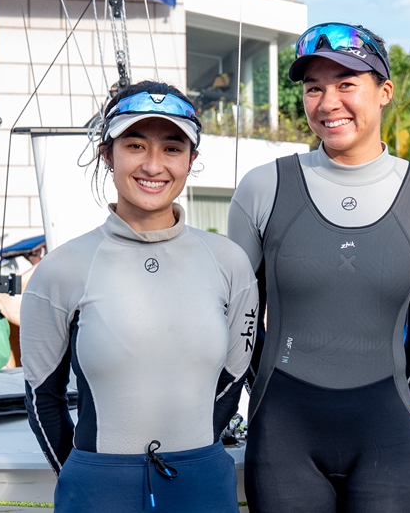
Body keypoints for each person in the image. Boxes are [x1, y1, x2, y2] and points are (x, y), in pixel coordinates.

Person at [227, 23, 410, 513]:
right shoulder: (262, 188)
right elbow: (237, 319)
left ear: (385, 91)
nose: (328, 102)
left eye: (346, 83)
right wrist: (266, 390)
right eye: (314, 87)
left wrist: (393, 392)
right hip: (284, 433)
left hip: (385, 432)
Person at [21, 81, 258, 513]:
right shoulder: (60, 270)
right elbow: (42, 396)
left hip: (201, 483)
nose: (153, 165)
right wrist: (82, 476)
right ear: (107, 154)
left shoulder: (229, 263)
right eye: (135, 145)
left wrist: (197, 454)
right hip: (97, 488)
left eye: (172, 148)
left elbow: (234, 377)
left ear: (192, 160)